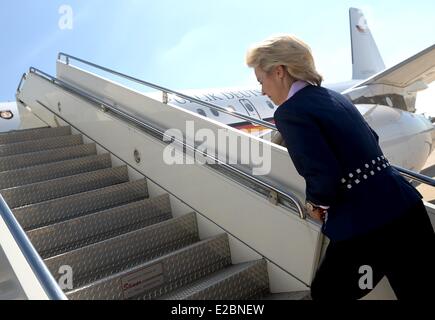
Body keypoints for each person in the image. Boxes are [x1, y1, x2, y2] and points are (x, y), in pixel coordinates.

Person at [246, 34, 435, 300]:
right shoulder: (334, 97)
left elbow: (322, 173)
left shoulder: (289, 113)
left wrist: (316, 204)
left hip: (367, 224)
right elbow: (374, 139)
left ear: (279, 72)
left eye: (261, 81)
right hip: (405, 207)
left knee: (327, 293)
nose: (263, 91)